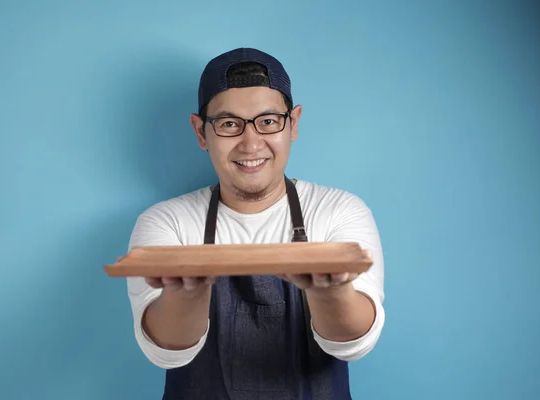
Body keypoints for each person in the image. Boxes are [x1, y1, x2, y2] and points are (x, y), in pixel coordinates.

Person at [123, 47, 385, 399]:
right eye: (229, 124)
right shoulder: (168, 223)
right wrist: (187, 293)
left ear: (293, 124)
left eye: (268, 121)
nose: (251, 142)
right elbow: (166, 351)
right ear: (201, 132)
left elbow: (353, 344)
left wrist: (330, 291)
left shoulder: (338, 211)